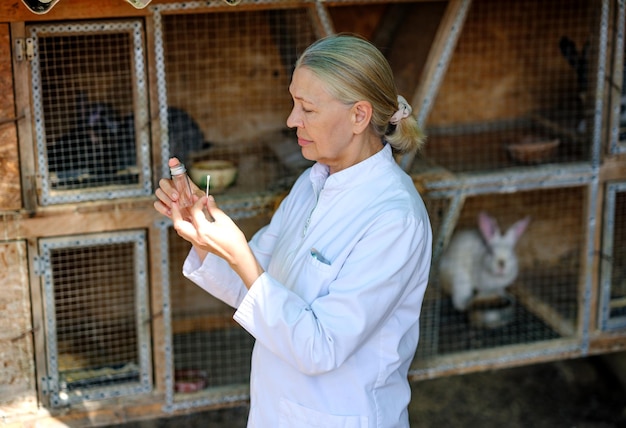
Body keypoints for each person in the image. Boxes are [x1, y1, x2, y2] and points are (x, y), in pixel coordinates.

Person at [154, 33, 432, 428]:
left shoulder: (394, 219)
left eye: (307, 108)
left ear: (359, 116)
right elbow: (251, 288)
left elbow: (320, 348)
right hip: (277, 412)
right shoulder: (313, 182)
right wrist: (206, 237)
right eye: (293, 103)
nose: (291, 120)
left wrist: (238, 253)